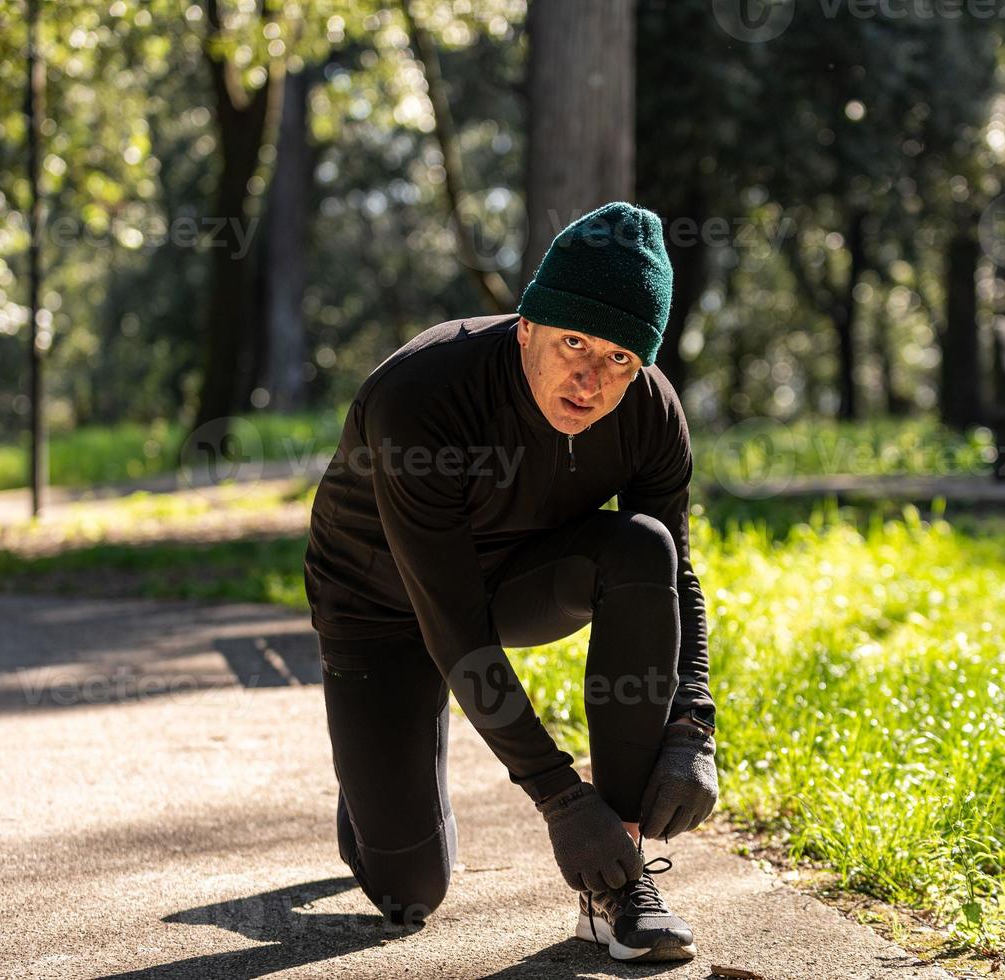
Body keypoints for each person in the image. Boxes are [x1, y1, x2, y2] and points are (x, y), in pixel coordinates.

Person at [302, 201, 719, 963]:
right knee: (408, 893)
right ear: (524, 324)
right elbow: (451, 619)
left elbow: (674, 574)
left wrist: (694, 724)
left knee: (640, 547)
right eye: (572, 344)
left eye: (621, 359)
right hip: (382, 602)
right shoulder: (422, 395)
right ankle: (373, 785)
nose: (591, 379)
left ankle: (615, 888)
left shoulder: (651, 413)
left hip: (519, 578)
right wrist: (560, 799)